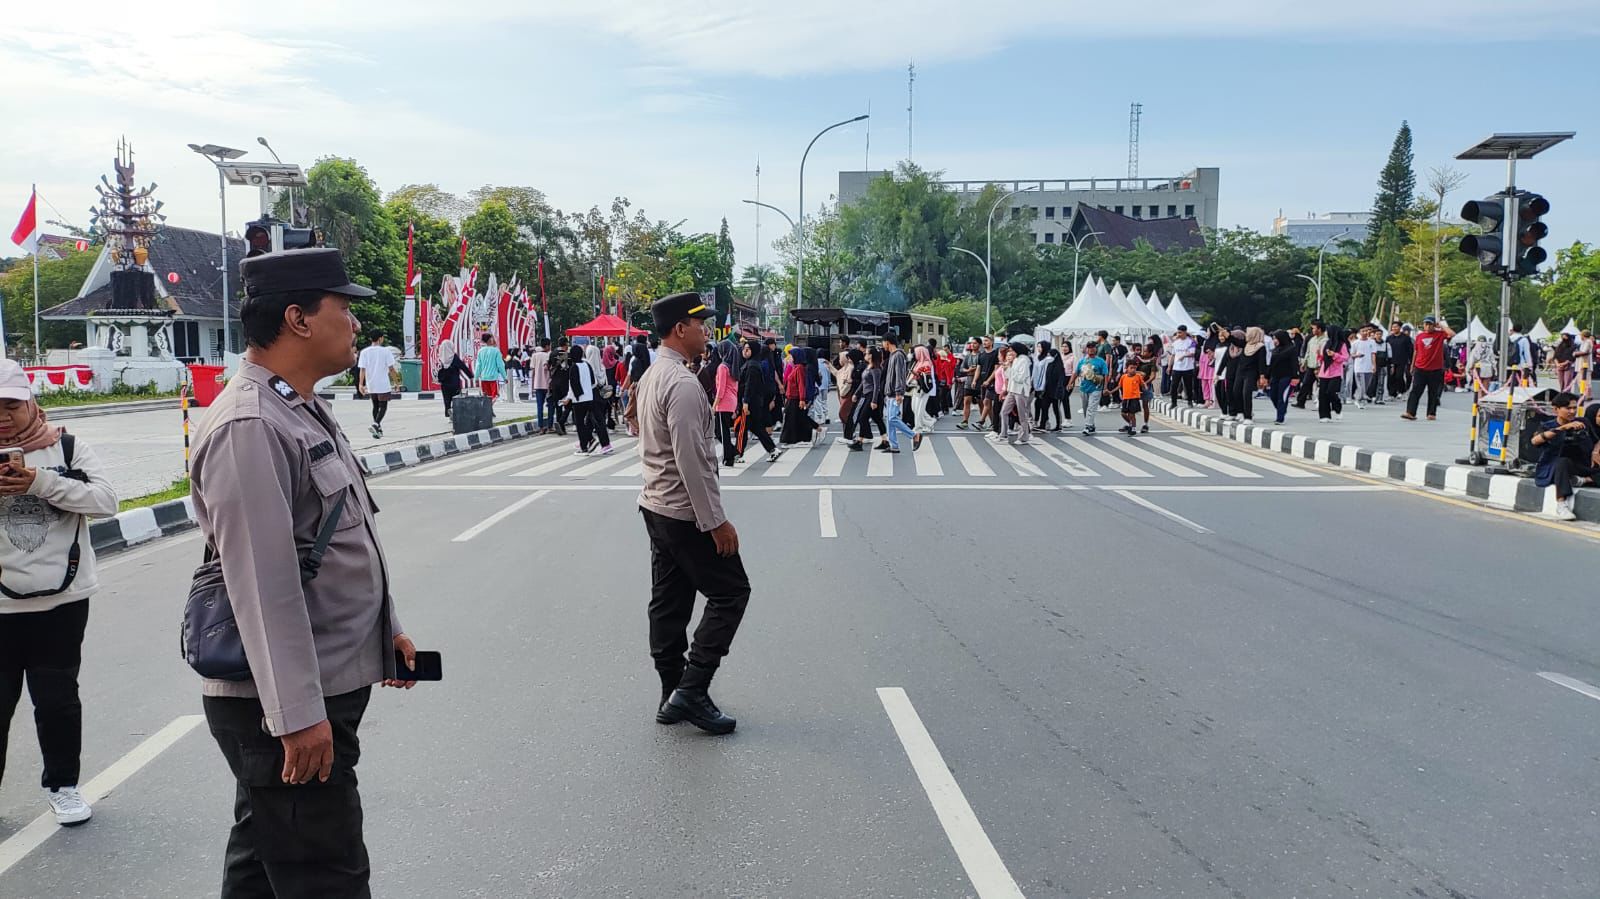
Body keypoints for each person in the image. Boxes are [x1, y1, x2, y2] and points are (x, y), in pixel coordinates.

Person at [190, 248, 420, 896]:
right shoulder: (250, 425)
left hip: (317, 685)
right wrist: (295, 716)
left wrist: (388, 626)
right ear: (296, 318)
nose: (353, 324)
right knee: (327, 875)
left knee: (263, 866)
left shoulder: (298, 406)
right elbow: (264, 584)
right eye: (342, 309)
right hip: (284, 703)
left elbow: (345, 531)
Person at [0, 359, 117, 828]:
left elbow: (106, 501)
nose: (4, 416)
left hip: (61, 604)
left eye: (11, 404)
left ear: (29, 401)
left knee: (56, 700)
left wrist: (40, 482)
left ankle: (63, 787)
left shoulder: (66, 447)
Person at [634, 292, 748, 735]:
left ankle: (671, 691)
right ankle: (692, 689)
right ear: (680, 329)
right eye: (700, 325)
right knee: (732, 592)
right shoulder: (680, 383)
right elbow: (692, 461)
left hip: (656, 505)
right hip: (683, 512)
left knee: (669, 601)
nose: (707, 332)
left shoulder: (653, 375)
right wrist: (715, 522)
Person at [1530, 392, 1596, 520]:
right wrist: (1563, 428)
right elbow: (1534, 441)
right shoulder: (1548, 426)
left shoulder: (1583, 422)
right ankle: (1561, 504)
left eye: (1574, 408)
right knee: (1562, 462)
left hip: (1582, 465)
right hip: (1556, 467)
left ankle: (1583, 480)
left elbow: (1597, 439)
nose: (1572, 411)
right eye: (1568, 408)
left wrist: (1595, 451)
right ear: (1556, 409)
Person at [1402, 316, 1454, 421]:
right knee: (1416, 390)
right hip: (1420, 367)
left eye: (1430, 324)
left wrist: (1442, 326)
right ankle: (1410, 412)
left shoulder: (1439, 335)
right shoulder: (1420, 336)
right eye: (1426, 324)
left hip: (1435, 369)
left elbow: (1452, 334)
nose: (1428, 326)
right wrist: (1412, 366)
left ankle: (1431, 413)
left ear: (1434, 325)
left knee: (1433, 392)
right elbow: (1416, 351)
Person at [564, 344, 613, 456]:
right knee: (593, 421)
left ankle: (584, 447)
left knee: (580, 423)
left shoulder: (574, 367)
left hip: (579, 399)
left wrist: (569, 398)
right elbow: (593, 382)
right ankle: (591, 441)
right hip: (590, 397)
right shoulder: (587, 365)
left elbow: (573, 385)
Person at [738, 340, 781, 463]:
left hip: (750, 403)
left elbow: (749, 386)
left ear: (754, 351)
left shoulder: (752, 366)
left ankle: (737, 454)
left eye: (748, 349)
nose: (744, 351)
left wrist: (745, 402)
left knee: (743, 428)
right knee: (756, 428)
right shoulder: (752, 363)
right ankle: (772, 449)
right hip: (755, 402)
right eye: (744, 348)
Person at [880, 335, 922, 453]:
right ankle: (894, 445)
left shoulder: (897, 355)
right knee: (889, 419)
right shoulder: (893, 355)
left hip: (894, 392)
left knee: (893, 418)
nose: (882, 345)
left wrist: (899, 392)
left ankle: (914, 435)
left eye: (883, 342)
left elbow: (899, 375)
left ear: (887, 342)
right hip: (890, 392)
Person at [356, 334, 399, 439]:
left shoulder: (364, 352)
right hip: (383, 384)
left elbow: (362, 369)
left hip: (371, 384)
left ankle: (378, 430)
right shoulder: (385, 351)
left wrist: (361, 384)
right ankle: (376, 424)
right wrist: (396, 383)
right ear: (380, 338)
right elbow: (391, 369)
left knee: (375, 406)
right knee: (383, 407)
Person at [1000, 340, 1034, 445]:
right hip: (1012, 389)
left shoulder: (1024, 360)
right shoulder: (1016, 360)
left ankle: (1024, 437)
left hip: (1021, 390)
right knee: (1004, 412)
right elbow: (1009, 376)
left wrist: (1011, 370)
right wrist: (1008, 368)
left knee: (1022, 414)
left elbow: (1020, 378)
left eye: (1012, 351)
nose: (1011, 353)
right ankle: (1003, 434)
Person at [852, 348, 886, 452]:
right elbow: (863, 382)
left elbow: (877, 387)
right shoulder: (868, 367)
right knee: (877, 419)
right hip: (866, 395)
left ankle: (860, 441)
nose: (865, 355)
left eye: (866, 353)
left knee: (862, 417)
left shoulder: (876, 369)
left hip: (872, 396)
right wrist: (856, 393)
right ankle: (885, 441)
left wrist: (874, 401)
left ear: (871, 355)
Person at [780, 346, 815, 446]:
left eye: (791, 356)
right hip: (791, 397)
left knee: (790, 419)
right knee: (799, 418)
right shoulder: (795, 367)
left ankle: (789, 439)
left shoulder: (799, 368)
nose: (789, 358)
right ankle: (806, 436)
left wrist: (802, 399)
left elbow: (801, 384)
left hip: (795, 398)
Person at [1075, 343, 1109, 435]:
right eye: (1089, 348)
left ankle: (1087, 426)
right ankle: (1091, 425)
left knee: (1091, 408)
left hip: (1096, 388)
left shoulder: (1101, 361)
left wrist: (1105, 387)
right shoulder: (1082, 361)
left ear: (1096, 349)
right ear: (1087, 349)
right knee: (1086, 408)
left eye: (1093, 348)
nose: (1091, 350)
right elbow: (1076, 372)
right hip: (1084, 387)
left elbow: (1105, 374)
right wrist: (1070, 383)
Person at [1318, 325, 1349, 422]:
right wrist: (1319, 356)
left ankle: (1337, 408)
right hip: (1324, 372)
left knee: (1331, 392)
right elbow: (1322, 357)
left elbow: (1345, 358)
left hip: (1335, 373)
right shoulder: (1327, 343)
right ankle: (1324, 415)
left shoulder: (1342, 344)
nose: (1326, 333)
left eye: (1328, 331)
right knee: (1322, 395)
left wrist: (1334, 355)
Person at [435, 339, 472, 420]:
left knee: (447, 399)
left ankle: (448, 413)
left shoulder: (441, 358)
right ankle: (455, 413)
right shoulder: (454, 357)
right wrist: (470, 376)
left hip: (444, 383)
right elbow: (462, 366)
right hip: (454, 383)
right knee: (456, 399)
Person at [1267, 329, 1298, 424]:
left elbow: (1294, 363)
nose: (1274, 341)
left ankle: (1280, 418)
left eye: (1276, 338)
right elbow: (1271, 364)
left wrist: (1295, 377)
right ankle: (1282, 410)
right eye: (1273, 339)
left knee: (1282, 396)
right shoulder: (1275, 350)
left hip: (1287, 376)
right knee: (1273, 395)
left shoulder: (1291, 349)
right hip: (1275, 376)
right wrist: (1267, 377)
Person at [1296, 321, 1326, 409]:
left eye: (1313, 328)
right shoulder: (1312, 339)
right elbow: (1307, 352)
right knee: (1305, 384)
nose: (1312, 330)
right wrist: (1303, 363)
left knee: (1323, 386)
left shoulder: (1325, 340)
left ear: (1319, 329)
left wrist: (1320, 365)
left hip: (1320, 366)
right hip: (1310, 365)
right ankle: (1300, 402)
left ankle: (1324, 403)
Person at [1169, 325, 1198, 406]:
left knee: (1188, 386)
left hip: (1187, 368)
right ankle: (1173, 402)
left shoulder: (1191, 342)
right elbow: (1173, 355)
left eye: (1180, 332)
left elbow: (1192, 353)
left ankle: (1190, 401)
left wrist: (1184, 356)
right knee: (1174, 386)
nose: (1178, 334)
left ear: (1185, 332)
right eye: (1178, 332)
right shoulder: (1175, 343)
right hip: (1176, 367)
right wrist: (1169, 366)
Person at [1349, 327, 1378, 410]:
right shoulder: (1355, 343)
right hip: (1359, 368)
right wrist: (1357, 355)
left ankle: (1360, 398)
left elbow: (1373, 354)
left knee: (1366, 385)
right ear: (1359, 332)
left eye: (1366, 331)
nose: (1365, 332)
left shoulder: (1372, 342)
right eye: (1363, 331)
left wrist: (1374, 365)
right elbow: (1351, 354)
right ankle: (1359, 400)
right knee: (1361, 386)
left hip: (1368, 367)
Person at [910, 344, 937, 434]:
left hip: (923, 390)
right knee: (915, 408)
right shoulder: (918, 363)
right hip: (916, 388)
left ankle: (918, 427)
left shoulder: (926, 364)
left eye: (916, 353)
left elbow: (925, 378)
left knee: (919, 410)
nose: (914, 354)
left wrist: (916, 375)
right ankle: (930, 422)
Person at [474, 332, 506, 403]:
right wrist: (505, 377)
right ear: (489, 340)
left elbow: (478, 366)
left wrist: (476, 378)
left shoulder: (480, 351)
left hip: (483, 378)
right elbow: (500, 365)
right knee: (495, 396)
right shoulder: (496, 351)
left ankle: (488, 411)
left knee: (486, 396)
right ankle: (489, 409)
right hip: (493, 378)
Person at [1117, 363, 1147, 436]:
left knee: (1131, 414)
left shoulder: (1138, 376)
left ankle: (1133, 429)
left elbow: (1143, 383)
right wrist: (1110, 392)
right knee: (1123, 413)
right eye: (1131, 368)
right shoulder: (1123, 377)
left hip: (1134, 397)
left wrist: (1144, 387)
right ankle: (1130, 424)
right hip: (1125, 397)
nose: (1133, 369)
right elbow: (1119, 386)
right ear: (1127, 368)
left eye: (1134, 368)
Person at [1386, 322, 1413, 399]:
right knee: (1391, 377)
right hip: (1391, 361)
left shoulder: (1405, 338)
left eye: (1396, 327)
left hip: (1401, 361)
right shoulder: (1389, 338)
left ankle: (1401, 390)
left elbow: (1410, 350)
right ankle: (1392, 393)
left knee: (1399, 376)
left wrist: (1411, 361)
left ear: (1400, 328)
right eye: (1393, 327)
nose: (1394, 328)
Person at [530, 339, 553, 432]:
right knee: (551, 406)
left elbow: (533, 371)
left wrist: (532, 385)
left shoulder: (534, 356)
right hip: (547, 384)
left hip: (537, 384)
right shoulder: (549, 355)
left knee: (539, 406)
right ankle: (550, 426)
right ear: (547, 346)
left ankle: (541, 427)